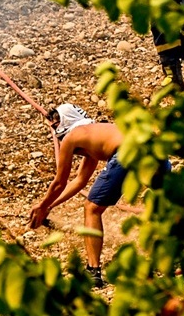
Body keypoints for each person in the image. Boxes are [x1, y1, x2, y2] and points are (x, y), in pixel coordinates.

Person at [27, 104, 169, 289]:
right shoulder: (92, 135)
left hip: (126, 151)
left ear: (64, 123)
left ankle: (93, 271)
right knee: (167, 199)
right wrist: (49, 206)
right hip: (153, 147)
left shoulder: (71, 137)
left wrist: (42, 205)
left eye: (54, 127)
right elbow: (79, 181)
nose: (54, 134)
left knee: (92, 208)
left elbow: (59, 182)